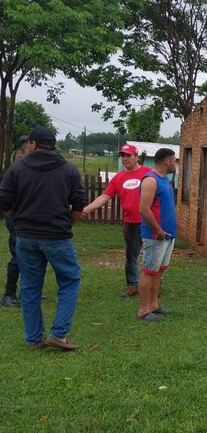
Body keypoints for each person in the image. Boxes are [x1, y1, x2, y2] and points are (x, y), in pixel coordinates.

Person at [0, 126, 85, 350]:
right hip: (58, 237)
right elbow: (78, 206)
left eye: (28, 142)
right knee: (69, 281)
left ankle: (33, 339)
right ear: (52, 145)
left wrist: (18, 220)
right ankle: (58, 334)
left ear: (33, 144)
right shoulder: (68, 169)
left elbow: (4, 201)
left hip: (25, 237)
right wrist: (67, 224)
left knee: (30, 287)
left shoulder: (17, 168)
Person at [82, 144, 151, 298]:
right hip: (130, 222)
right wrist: (87, 209)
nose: (125, 158)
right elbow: (104, 197)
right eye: (123, 156)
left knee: (152, 254)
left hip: (149, 221)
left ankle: (154, 285)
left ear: (136, 157)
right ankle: (132, 285)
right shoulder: (118, 178)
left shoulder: (148, 173)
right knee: (131, 256)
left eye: (128, 155)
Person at [137, 148, 177, 322]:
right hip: (155, 236)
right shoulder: (150, 180)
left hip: (168, 236)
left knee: (158, 271)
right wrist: (158, 230)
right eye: (174, 161)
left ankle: (154, 305)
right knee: (148, 271)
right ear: (167, 161)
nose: (175, 164)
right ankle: (143, 310)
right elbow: (144, 209)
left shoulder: (165, 180)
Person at [0, 135, 29, 308]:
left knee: (31, 256)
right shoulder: (16, 169)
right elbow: (4, 196)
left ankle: (27, 291)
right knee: (18, 255)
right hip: (16, 218)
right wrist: (12, 214)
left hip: (28, 218)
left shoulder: (30, 167)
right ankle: (8, 294)